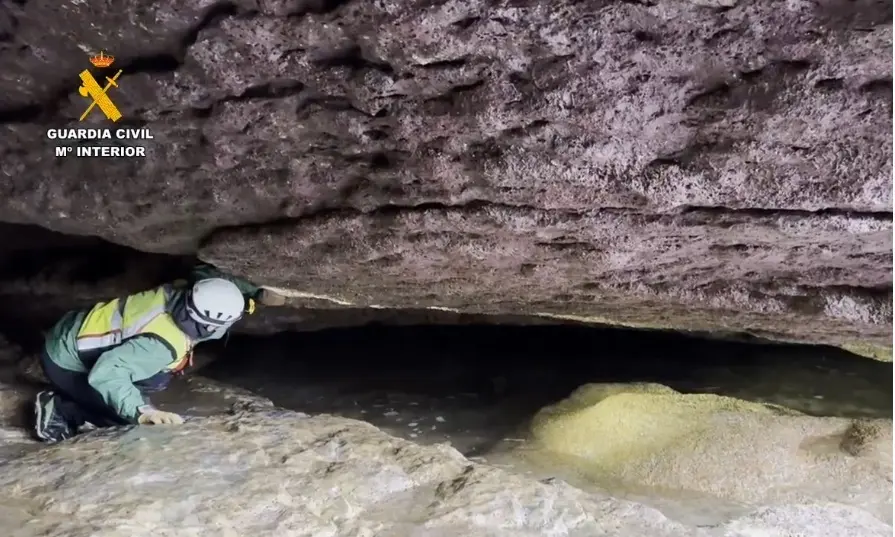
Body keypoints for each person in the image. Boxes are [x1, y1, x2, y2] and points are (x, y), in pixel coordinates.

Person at [31, 262, 287, 443]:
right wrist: (142, 411)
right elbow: (107, 372)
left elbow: (209, 275)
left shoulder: (183, 291)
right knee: (129, 421)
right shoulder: (162, 343)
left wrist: (256, 293)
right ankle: (59, 410)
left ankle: (89, 395)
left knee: (153, 377)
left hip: (73, 328)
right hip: (63, 359)